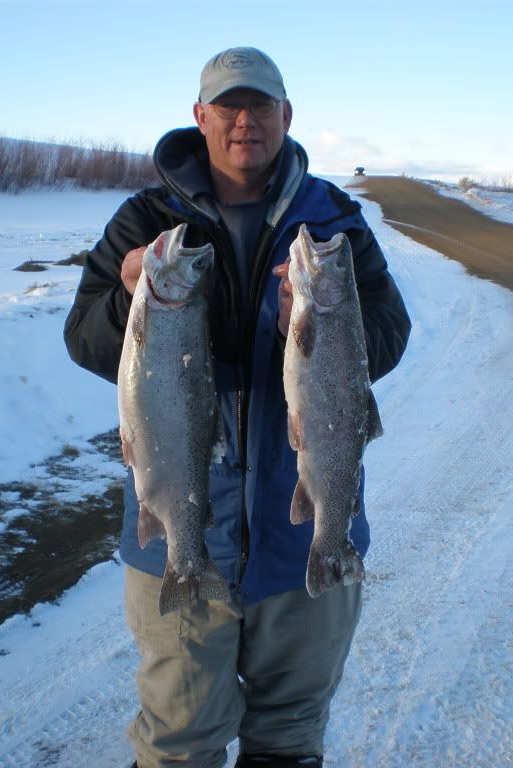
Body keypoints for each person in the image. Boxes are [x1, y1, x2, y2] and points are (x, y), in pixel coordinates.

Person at [64, 46, 410, 768]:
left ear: (286, 115)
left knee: (289, 738)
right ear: (200, 117)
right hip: (182, 534)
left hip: (306, 534)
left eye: (259, 106)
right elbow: (85, 340)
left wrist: (313, 325)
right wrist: (133, 298)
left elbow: (390, 333)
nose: (244, 120)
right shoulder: (147, 220)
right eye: (228, 106)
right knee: (179, 745)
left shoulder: (333, 221)